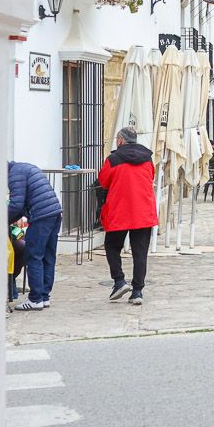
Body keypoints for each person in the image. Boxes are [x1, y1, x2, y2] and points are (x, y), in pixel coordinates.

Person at [94, 126, 157, 304]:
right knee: (140, 253)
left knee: (112, 247)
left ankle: (119, 281)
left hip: (119, 210)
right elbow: (150, 177)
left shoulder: (113, 159)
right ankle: (137, 292)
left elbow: (103, 181)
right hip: (143, 211)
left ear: (120, 140)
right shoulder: (148, 158)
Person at [7, 160, 61, 311]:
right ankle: (44, 297)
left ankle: (35, 299)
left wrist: (2, 219)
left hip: (41, 216)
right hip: (55, 212)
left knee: (33, 256)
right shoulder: (25, 167)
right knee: (48, 257)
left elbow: (16, 204)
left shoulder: (14, 174)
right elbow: (22, 205)